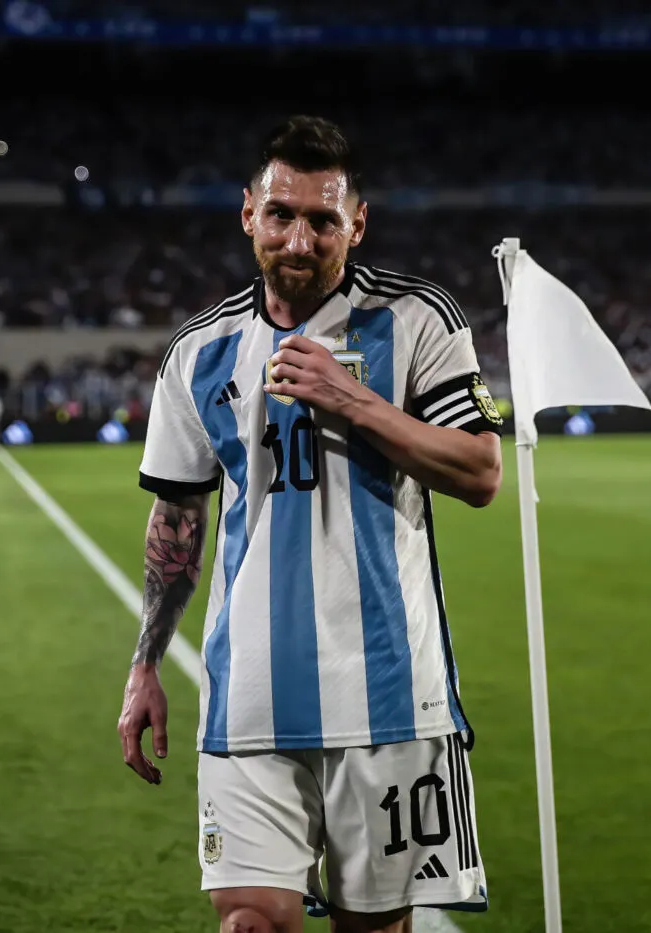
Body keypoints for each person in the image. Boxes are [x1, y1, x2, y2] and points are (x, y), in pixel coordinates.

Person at [118, 114, 503, 933]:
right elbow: (177, 518)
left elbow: (480, 471)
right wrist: (145, 663)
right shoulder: (200, 350)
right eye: (282, 214)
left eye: (323, 220)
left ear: (356, 224)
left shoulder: (418, 319)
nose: (300, 240)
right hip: (249, 694)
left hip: (387, 696)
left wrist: (352, 398)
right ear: (248, 213)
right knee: (249, 920)